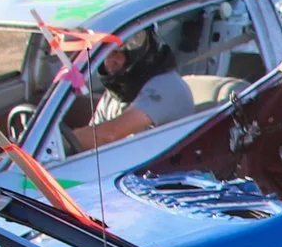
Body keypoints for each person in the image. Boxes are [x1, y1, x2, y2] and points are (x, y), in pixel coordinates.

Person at [67, 23, 193, 151]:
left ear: (141, 50)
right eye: (106, 54)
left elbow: (108, 135)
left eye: (117, 52)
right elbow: (93, 138)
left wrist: (63, 143)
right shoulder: (116, 93)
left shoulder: (167, 86)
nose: (109, 62)